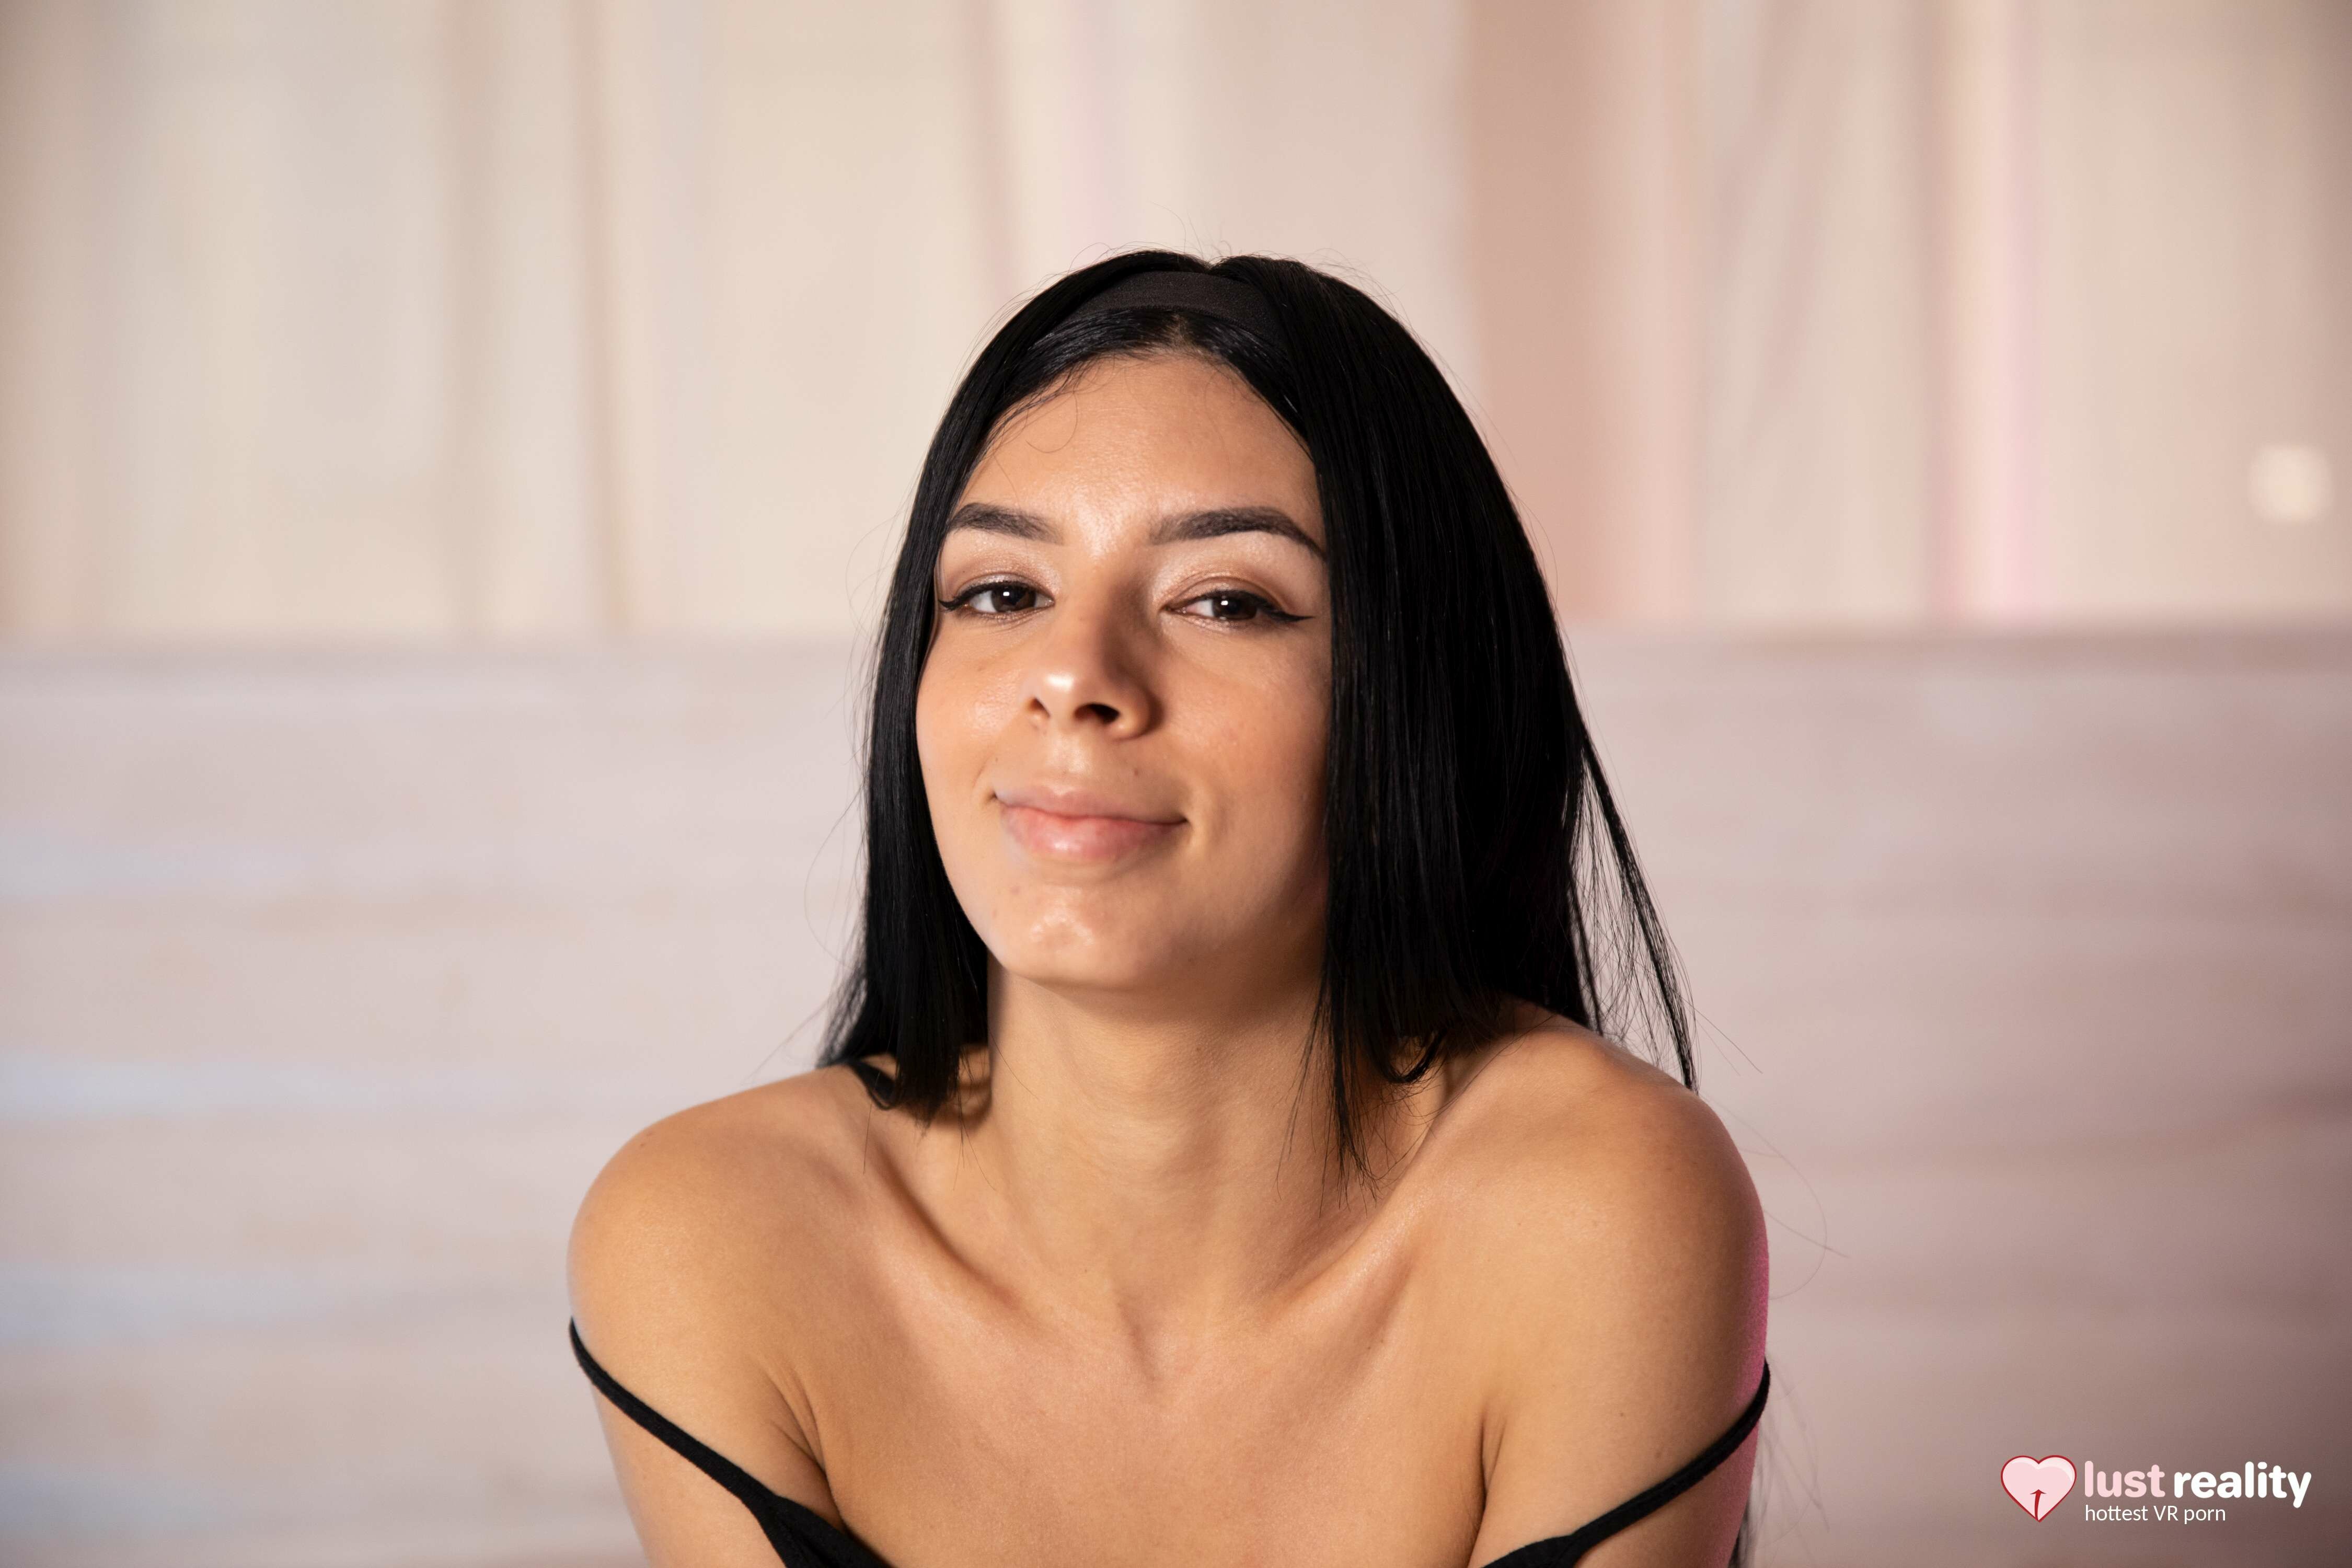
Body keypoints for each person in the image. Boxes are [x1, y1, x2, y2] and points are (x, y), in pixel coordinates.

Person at [567, 253, 1768, 1568]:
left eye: (1226, 602)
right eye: (1004, 593)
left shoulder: (1602, 1214)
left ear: (1417, 698)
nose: (1074, 676)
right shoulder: (707, 1240)